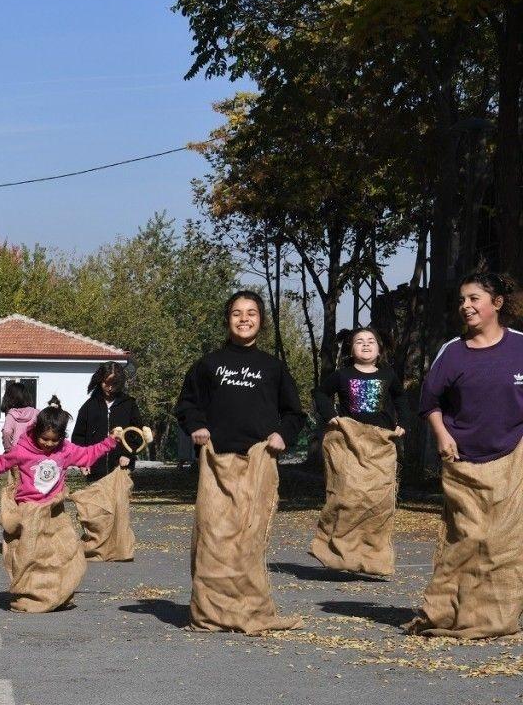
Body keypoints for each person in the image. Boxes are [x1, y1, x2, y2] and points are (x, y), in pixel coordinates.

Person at [174, 289, 306, 634]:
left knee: (249, 540)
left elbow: (294, 413)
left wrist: (282, 436)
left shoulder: (273, 367)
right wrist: (198, 426)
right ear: (227, 320)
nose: (244, 318)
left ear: (261, 321)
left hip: (259, 463)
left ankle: (250, 608)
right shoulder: (208, 364)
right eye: (236, 313)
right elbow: (187, 405)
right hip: (217, 464)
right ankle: (211, 611)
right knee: (214, 536)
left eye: (251, 313)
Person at [407, 272, 523, 639]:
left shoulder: (520, 346)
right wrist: (442, 435)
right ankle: (450, 611)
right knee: (468, 539)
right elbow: (429, 402)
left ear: (497, 304)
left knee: (504, 543)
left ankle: (496, 617)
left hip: (514, 459)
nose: (466, 306)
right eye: (462, 300)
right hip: (463, 462)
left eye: (474, 298)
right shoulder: (452, 352)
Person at [0, 404, 117, 612]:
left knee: (65, 552)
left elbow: (88, 455)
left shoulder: (65, 450)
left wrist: (110, 442)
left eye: (54, 440)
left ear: (62, 437)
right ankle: (31, 595)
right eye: (44, 438)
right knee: (30, 556)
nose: (48, 444)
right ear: (36, 431)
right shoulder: (22, 450)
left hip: (55, 510)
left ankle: (57, 593)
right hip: (29, 510)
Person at [309, 326, 409, 576]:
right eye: (359, 342)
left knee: (378, 502)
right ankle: (338, 551)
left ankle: (374, 558)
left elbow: (401, 400)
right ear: (351, 350)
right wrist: (331, 416)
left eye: (371, 341)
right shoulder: (342, 375)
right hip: (350, 444)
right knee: (348, 497)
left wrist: (403, 423)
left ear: (379, 349)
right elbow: (320, 393)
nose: (366, 345)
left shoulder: (388, 374)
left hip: (380, 446)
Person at [73, 362, 143, 479]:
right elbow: (78, 437)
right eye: (106, 383)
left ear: (120, 383)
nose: (110, 388)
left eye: (114, 384)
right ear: (100, 380)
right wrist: (83, 461)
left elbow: (138, 433)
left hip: (121, 469)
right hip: (94, 471)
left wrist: (128, 454)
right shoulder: (89, 406)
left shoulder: (129, 404)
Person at [0, 380, 39, 451]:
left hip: (17, 451)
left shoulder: (11, 415)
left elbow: (6, 432)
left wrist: (8, 449)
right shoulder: (36, 413)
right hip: (34, 451)